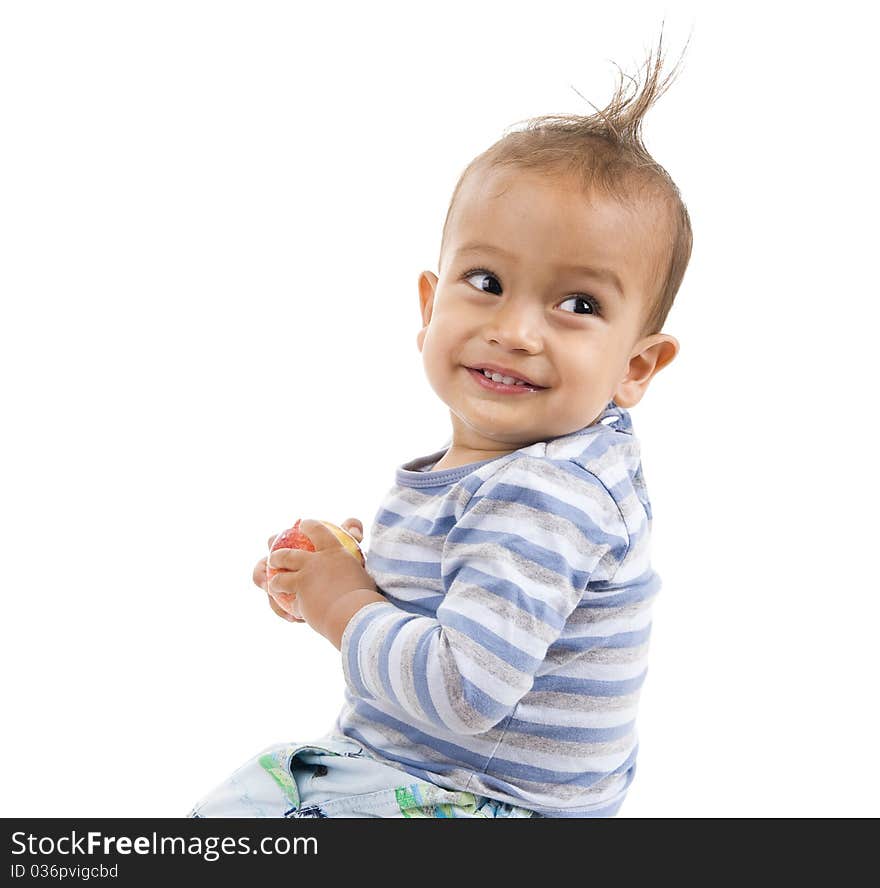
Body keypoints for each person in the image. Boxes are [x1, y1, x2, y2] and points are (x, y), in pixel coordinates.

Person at [189, 39, 692, 819]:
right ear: (430, 305)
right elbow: (456, 598)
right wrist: (342, 570)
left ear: (637, 366)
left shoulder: (549, 494)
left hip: (476, 805)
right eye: (486, 283)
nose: (517, 330)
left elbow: (461, 692)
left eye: (579, 305)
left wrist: (344, 603)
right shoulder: (520, 469)